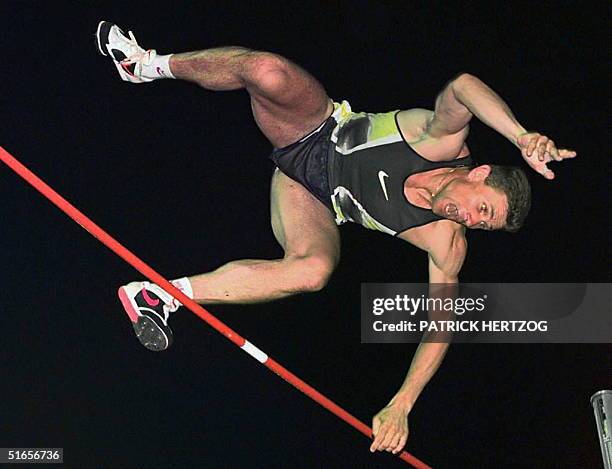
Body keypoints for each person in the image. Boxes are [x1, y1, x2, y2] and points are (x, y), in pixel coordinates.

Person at [96, 21, 577, 455]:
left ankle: (161, 296)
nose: (472, 220)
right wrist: (520, 135)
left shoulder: (444, 242)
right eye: (483, 209)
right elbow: (464, 87)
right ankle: (144, 65)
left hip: (310, 196)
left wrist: (401, 405)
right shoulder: (440, 141)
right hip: (316, 129)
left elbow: (441, 326)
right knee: (266, 72)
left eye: (484, 225)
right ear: (481, 174)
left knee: (313, 271)